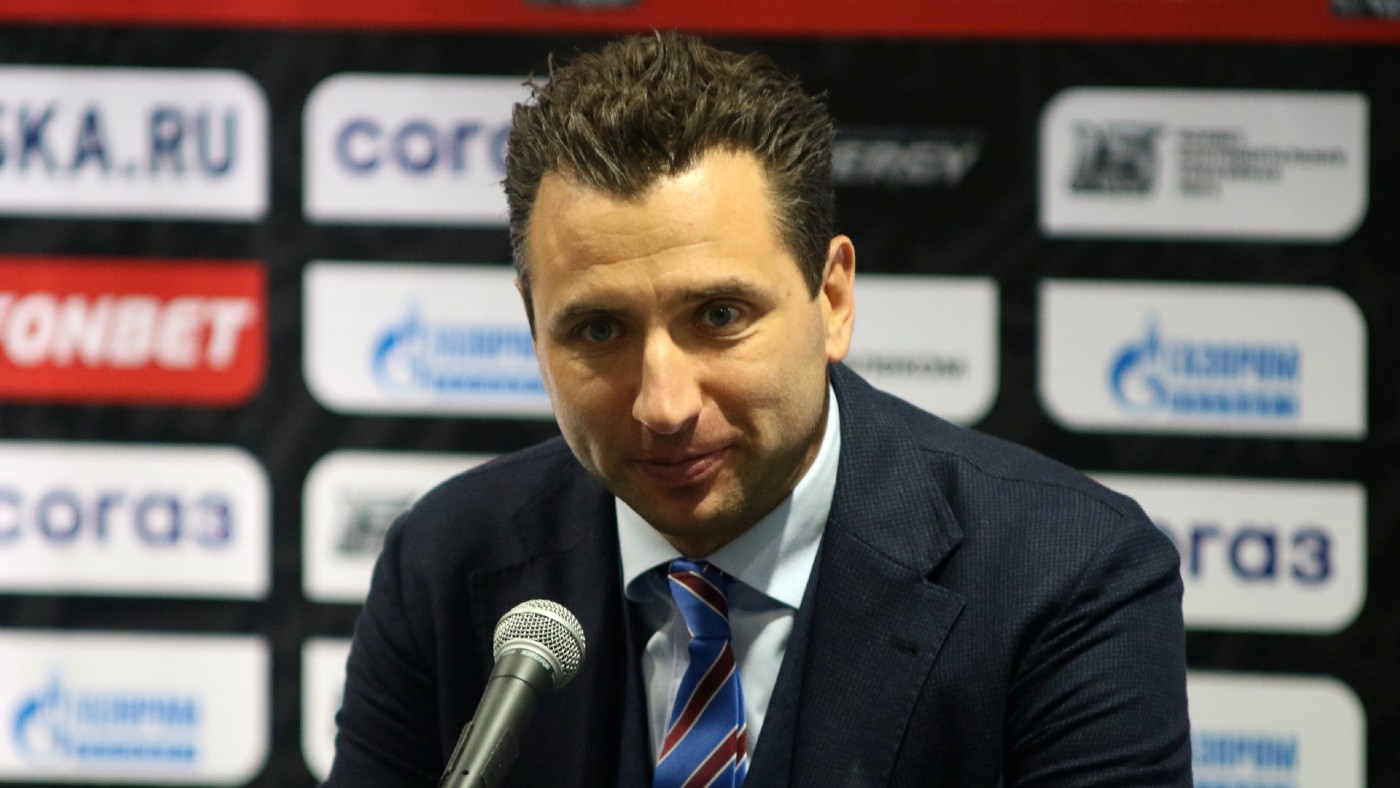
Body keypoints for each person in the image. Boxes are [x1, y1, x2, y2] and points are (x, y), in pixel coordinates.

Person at [326, 32, 1191, 787]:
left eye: (718, 316)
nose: (664, 406)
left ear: (834, 298)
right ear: (532, 326)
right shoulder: (444, 564)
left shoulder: (1068, 576)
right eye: (599, 330)